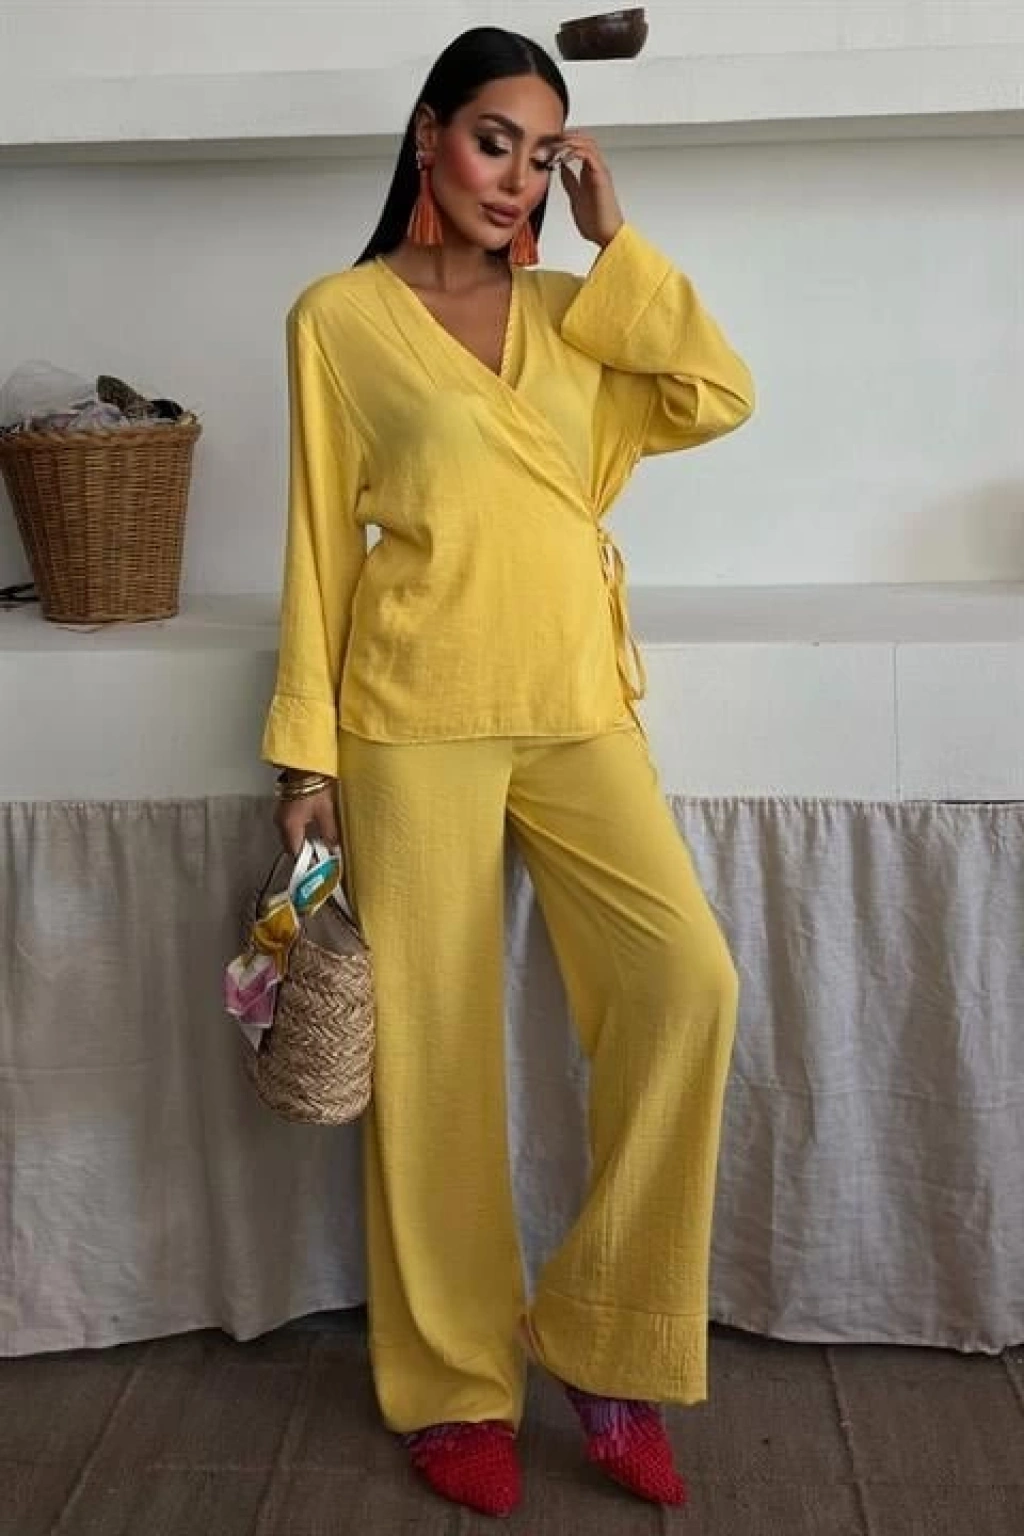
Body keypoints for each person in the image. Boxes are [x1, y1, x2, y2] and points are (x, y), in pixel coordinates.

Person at [263, 25, 754, 1520]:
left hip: (576, 700)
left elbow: (715, 394)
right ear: (428, 135)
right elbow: (315, 543)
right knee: (434, 1053)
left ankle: (603, 1339)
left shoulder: (573, 308)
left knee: (687, 983)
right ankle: (455, 1385)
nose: (517, 179)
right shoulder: (339, 318)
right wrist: (303, 757)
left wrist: (615, 239)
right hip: (412, 712)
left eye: (544, 155)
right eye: (495, 141)